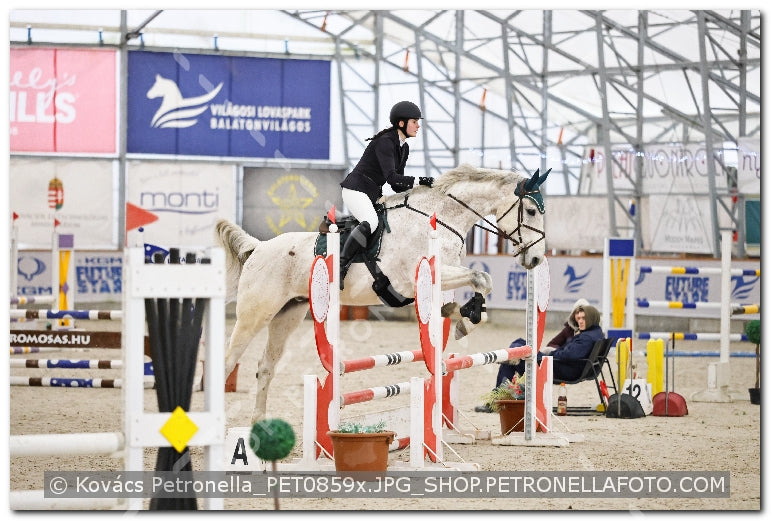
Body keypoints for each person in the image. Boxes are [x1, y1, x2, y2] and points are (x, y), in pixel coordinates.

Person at [338, 100, 434, 288]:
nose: (418, 125)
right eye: (414, 121)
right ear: (401, 123)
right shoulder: (385, 141)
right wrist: (420, 180)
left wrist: (421, 191)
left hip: (371, 193)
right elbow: (392, 178)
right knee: (371, 222)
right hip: (355, 189)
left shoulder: (403, 147)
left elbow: (398, 185)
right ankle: (340, 267)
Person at [475, 300, 604, 413]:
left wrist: (549, 354)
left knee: (516, 353)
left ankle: (495, 400)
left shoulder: (586, 337)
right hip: (561, 365)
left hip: (557, 367)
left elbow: (570, 355)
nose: (580, 321)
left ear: (591, 318)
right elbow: (570, 353)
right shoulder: (594, 333)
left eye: (583, 318)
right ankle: (510, 357)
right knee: (520, 346)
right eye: (579, 318)